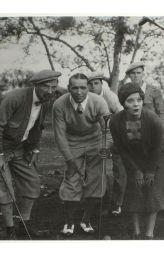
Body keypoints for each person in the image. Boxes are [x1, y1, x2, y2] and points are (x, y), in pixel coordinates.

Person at [0, 69, 61, 239]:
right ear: (36, 86)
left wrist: (34, 148)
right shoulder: (15, 97)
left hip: (20, 147)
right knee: (5, 187)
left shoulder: (47, 101)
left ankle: (23, 225)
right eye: (46, 87)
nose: (50, 91)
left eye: (53, 87)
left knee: (31, 182)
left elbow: (37, 127)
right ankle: (9, 230)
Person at [52, 73, 110, 237]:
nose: (79, 91)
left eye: (83, 87)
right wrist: (70, 160)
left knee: (96, 180)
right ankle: (69, 221)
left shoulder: (98, 102)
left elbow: (108, 129)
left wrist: (105, 147)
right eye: (75, 87)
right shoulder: (59, 104)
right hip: (72, 142)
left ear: (89, 87)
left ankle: (86, 220)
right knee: (72, 180)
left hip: (95, 140)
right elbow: (59, 135)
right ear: (69, 88)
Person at [109, 83, 164, 239]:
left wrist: (149, 171)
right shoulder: (115, 122)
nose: (136, 104)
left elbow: (156, 149)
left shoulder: (154, 120)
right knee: (134, 190)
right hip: (132, 157)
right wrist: (135, 170)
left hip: (155, 156)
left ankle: (149, 233)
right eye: (130, 101)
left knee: (152, 189)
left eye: (139, 100)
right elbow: (121, 148)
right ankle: (136, 231)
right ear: (123, 103)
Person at [87, 71, 125, 216]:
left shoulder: (110, 97)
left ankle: (118, 204)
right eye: (89, 84)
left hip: (116, 135)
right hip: (96, 137)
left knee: (119, 170)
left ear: (101, 84)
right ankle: (101, 201)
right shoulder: (87, 97)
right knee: (98, 170)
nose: (92, 87)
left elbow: (122, 115)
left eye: (96, 83)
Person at [125, 62, 164, 128]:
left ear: (143, 74)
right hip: (134, 128)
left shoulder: (154, 90)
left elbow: (161, 112)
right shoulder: (125, 92)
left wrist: (159, 129)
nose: (136, 76)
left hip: (152, 127)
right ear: (129, 75)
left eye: (138, 73)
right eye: (133, 73)